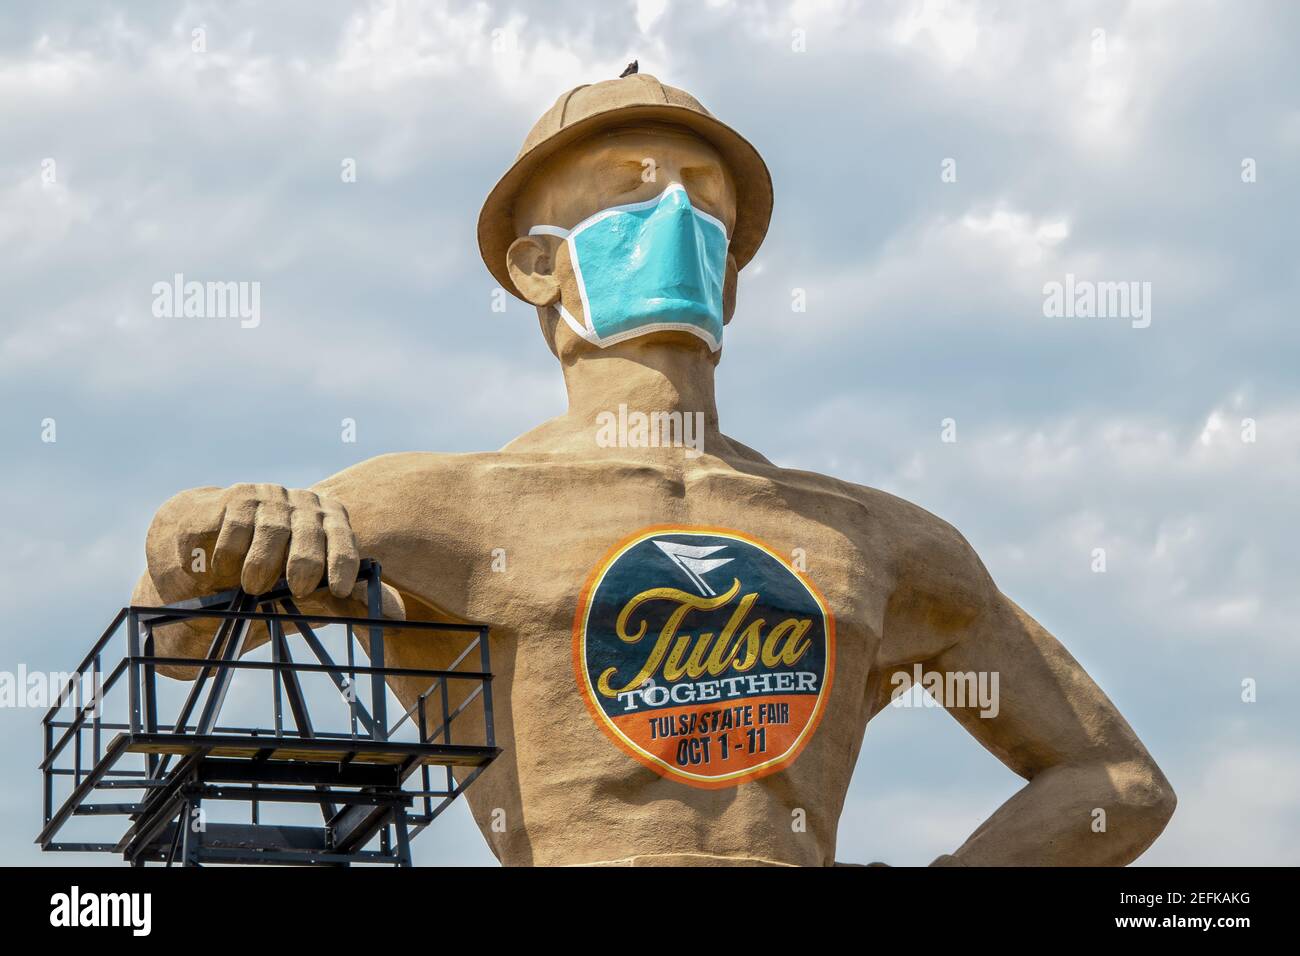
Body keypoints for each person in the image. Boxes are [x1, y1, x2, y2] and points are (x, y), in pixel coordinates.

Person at [136, 73, 1175, 866]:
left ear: (733, 267)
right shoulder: (437, 508)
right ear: (537, 262)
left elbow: (1116, 781)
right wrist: (203, 522)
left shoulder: (875, 537)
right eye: (634, 191)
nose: (679, 214)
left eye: (704, 201)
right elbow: (172, 643)